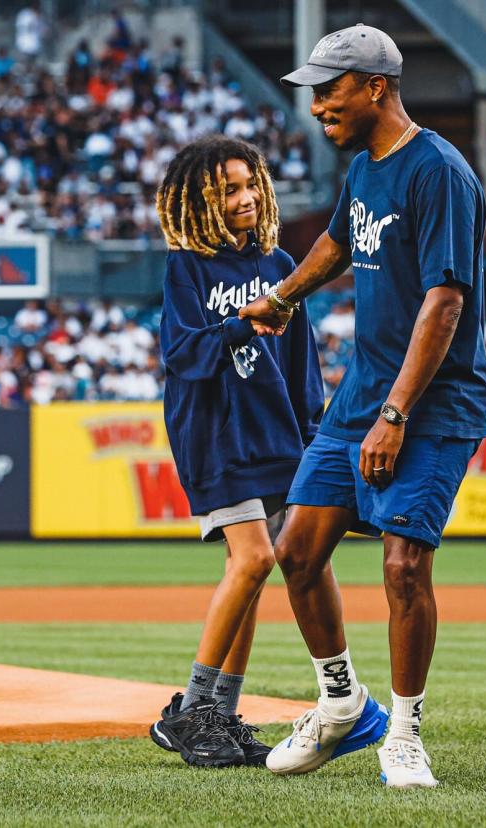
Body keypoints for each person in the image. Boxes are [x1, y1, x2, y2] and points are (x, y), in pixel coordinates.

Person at [240, 24, 486, 788]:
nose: (318, 105)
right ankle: (343, 702)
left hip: (432, 402)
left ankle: (406, 736)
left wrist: (395, 414)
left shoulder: (439, 171)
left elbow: (446, 302)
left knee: (403, 564)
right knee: (298, 550)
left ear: (376, 87)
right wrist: (285, 296)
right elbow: (342, 246)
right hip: (362, 395)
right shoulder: (363, 168)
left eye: (330, 89)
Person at [149, 136, 325, 768]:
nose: (245, 197)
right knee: (253, 559)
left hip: (276, 434)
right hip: (216, 433)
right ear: (200, 200)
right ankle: (191, 712)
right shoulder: (186, 265)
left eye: (250, 183)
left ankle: (219, 718)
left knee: (255, 572)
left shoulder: (281, 262)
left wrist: (313, 432)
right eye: (227, 189)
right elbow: (182, 353)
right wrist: (242, 322)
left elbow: (302, 362)